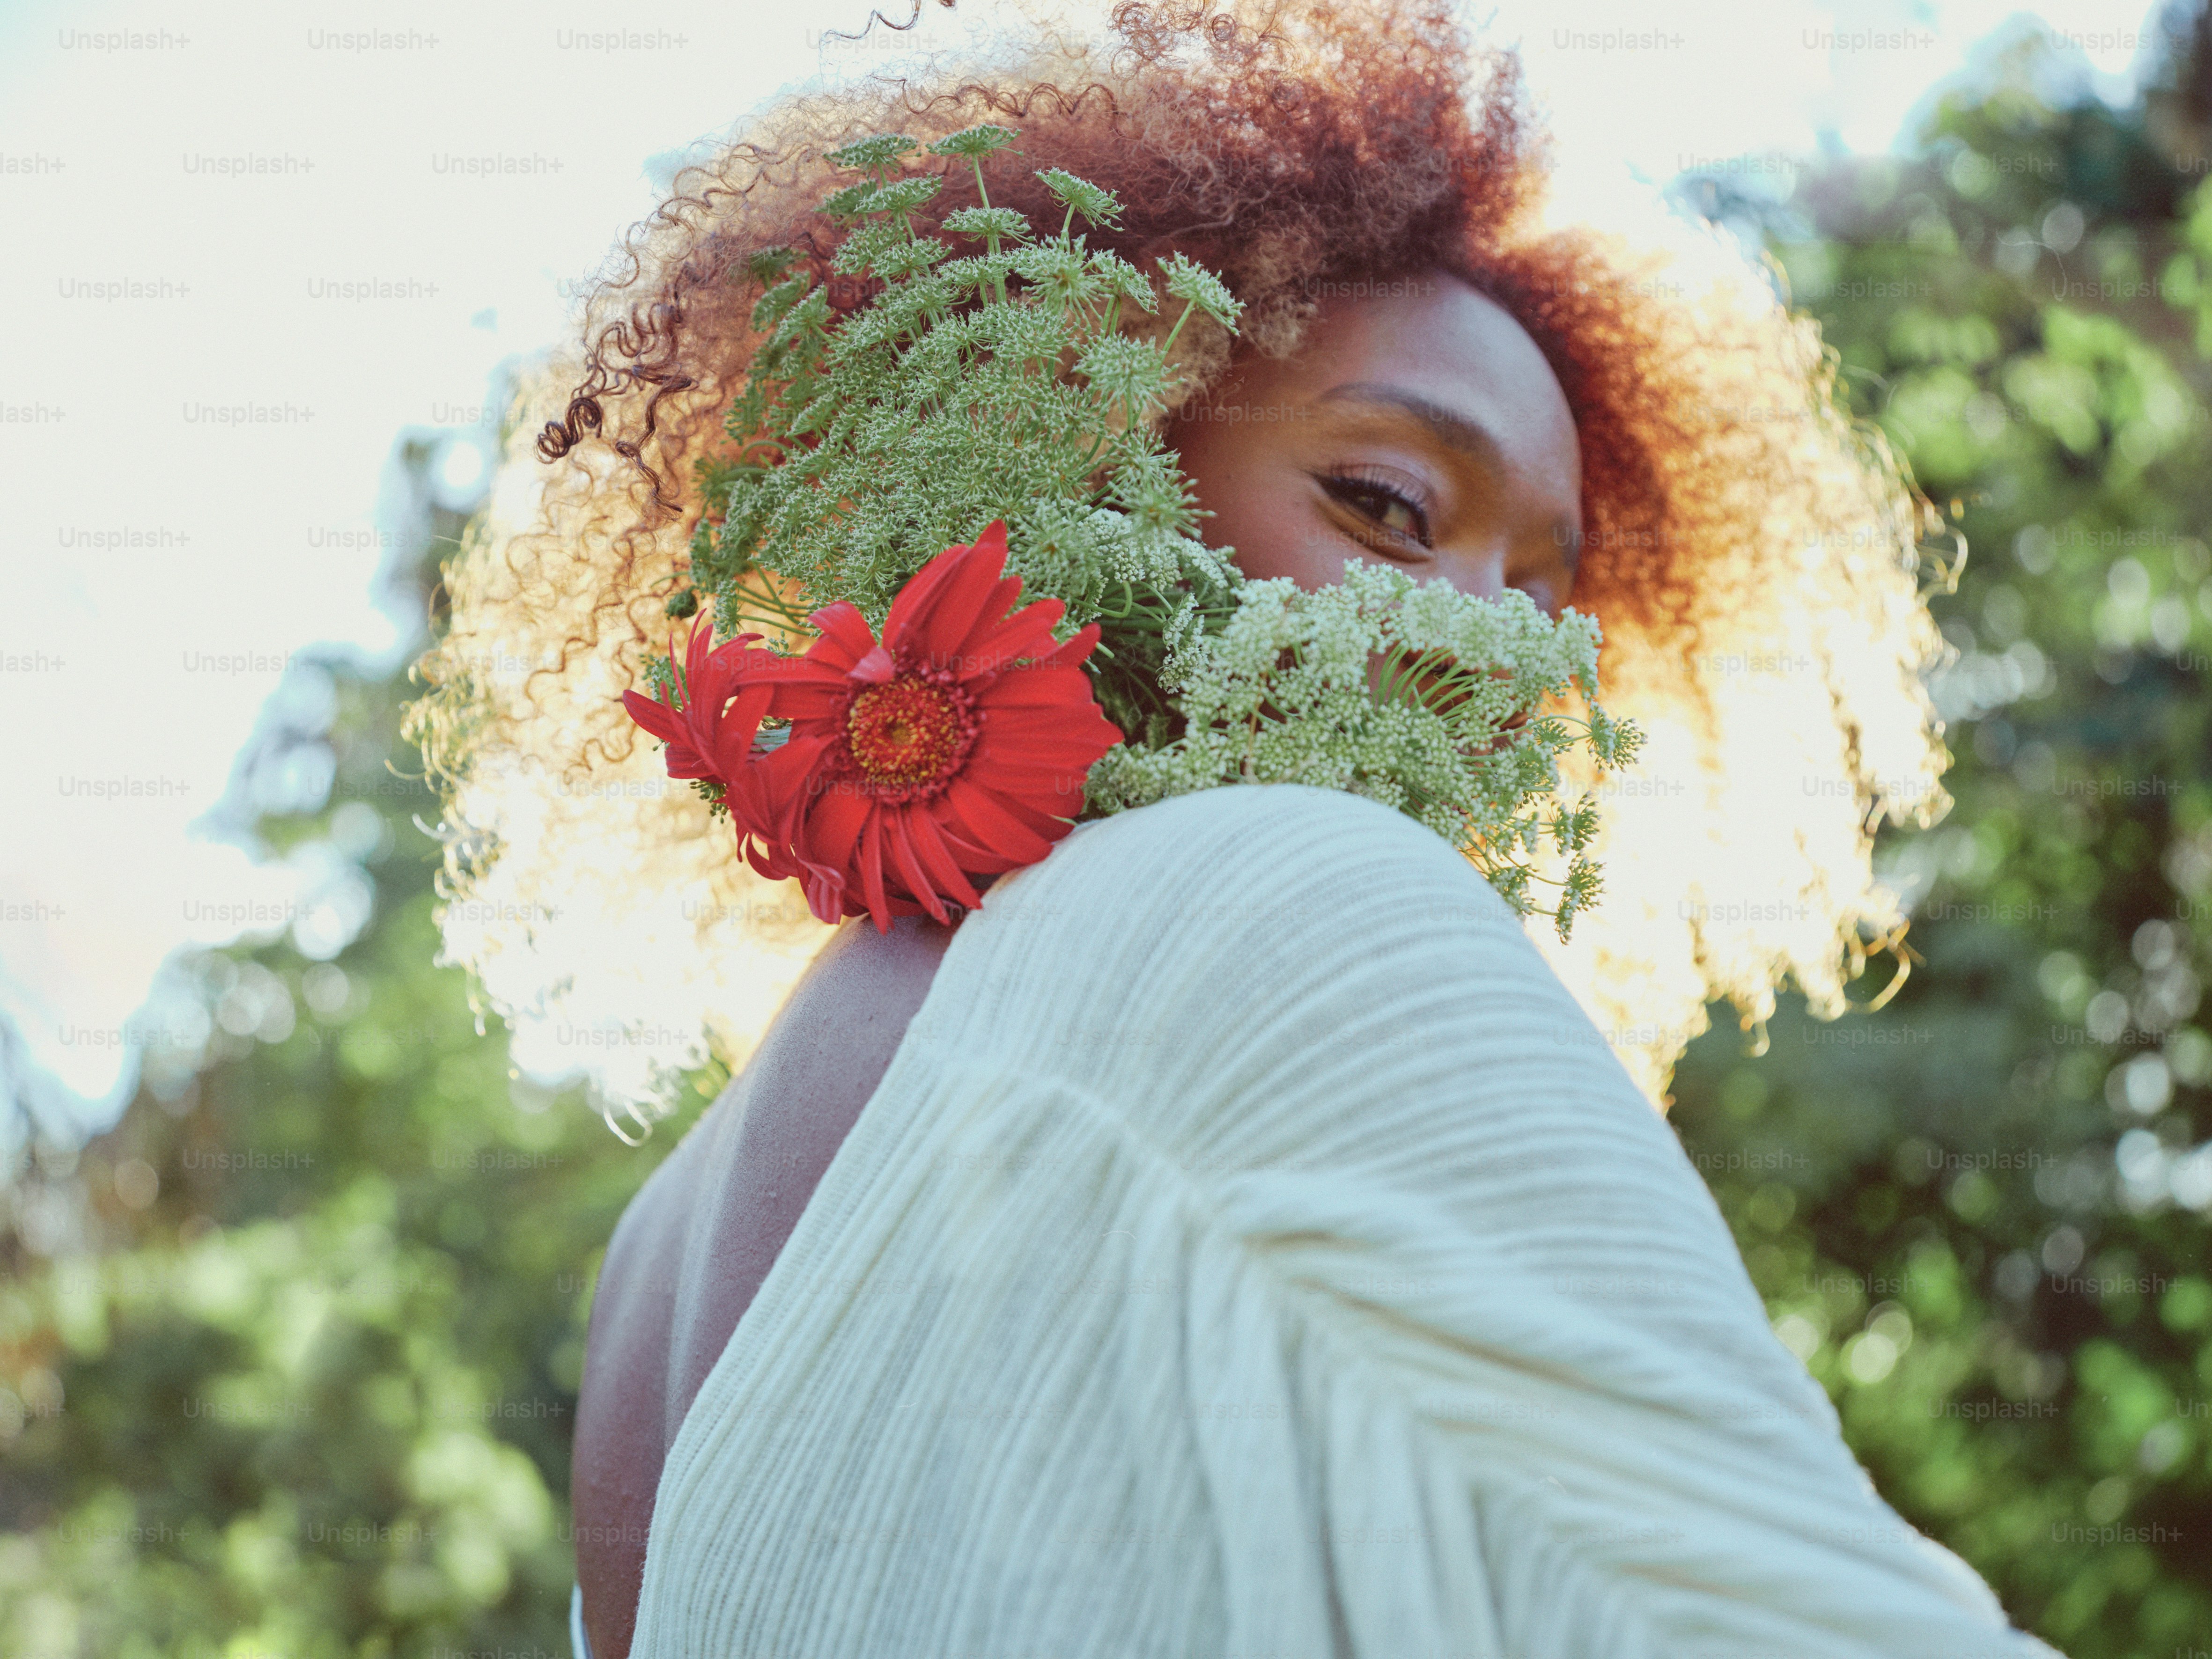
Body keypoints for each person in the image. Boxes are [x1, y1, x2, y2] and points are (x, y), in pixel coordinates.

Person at [409, 4, 2059, 1655]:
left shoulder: (655, 1257)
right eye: (1391, 507)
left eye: (1552, 601)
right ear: (1090, 450)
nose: (1500, 654)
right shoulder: (1269, 897)